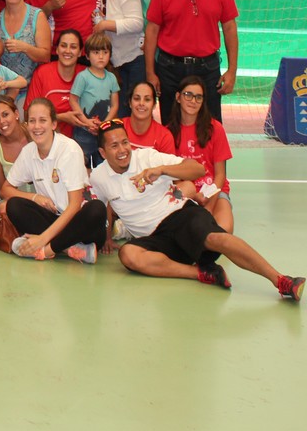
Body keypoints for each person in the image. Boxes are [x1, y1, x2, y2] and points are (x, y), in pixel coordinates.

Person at [90, 120, 303, 302]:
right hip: (154, 239)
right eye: (114, 146)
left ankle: (281, 280)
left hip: (181, 216)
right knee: (128, 255)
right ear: (102, 152)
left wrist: (161, 170)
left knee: (217, 237)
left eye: (125, 142)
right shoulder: (99, 177)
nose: (122, 150)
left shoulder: (148, 158)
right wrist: (107, 237)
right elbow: (103, 206)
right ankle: (201, 273)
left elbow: (197, 169)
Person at [145, 0, 238, 124]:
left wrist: (232, 71)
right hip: (169, 70)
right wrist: (151, 72)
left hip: (208, 69)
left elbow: (230, 28)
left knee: (211, 129)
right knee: (171, 129)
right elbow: (152, 30)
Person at [1, 98, 106, 263]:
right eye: (32, 121)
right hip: (55, 218)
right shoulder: (28, 152)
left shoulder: (69, 149)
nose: (37, 126)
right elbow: (5, 189)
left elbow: (74, 206)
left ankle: (48, 250)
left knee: (97, 209)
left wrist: (42, 240)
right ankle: (71, 249)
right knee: (14, 205)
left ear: (54, 124)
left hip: (80, 225)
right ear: (26, 125)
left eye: (43, 120)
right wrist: (35, 197)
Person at [165, 76, 234, 233]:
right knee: (191, 233)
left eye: (198, 97)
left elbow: (220, 175)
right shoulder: (169, 132)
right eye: (188, 95)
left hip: (214, 192)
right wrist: (194, 196)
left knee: (223, 231)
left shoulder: (215, 128)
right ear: (178, 97)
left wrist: (209, 206)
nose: (193, 101)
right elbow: (174, 177)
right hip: (185, 192)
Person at [85, 0, 144, 115]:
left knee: (134, 113)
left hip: (134, 62)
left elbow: (137, 23)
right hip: (116, 65)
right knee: (119, 114)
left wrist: (105, 25)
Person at [0, 0, 50, 89]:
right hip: (2, 90)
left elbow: (46, 56)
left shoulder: (37, 16)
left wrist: (25, 47)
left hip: (31, 90)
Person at [69, 31, 120, 168]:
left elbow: (115, 105)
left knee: (103, 166)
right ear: (87, 55)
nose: (101, 56)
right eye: (96, 52)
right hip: (83, 131)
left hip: (104, 132)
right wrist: (86, 122)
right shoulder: (83, 77)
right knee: (80, 164)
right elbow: (73, 100)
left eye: (105, 52)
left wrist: (105, 124)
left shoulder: (112, 78)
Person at [26, 29, 86, 137]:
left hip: (83, 138)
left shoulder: (87, 74)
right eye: (63, 46)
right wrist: (60, 117)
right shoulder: (42, 73)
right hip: (48, 138)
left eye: (73, 47)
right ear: (57, 49)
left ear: (80, 52)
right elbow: (28, 114)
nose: (67, 51)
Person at [0, 94, 32, 211]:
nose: (2, 121)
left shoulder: (33, 131)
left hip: (44, 200)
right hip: (14, 203)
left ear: (16, 114)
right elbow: (3, 192)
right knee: (5, 208)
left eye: (5, 114)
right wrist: (33, 199)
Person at [122, 81, 173, 152]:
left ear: (154, 104)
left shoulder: (164, 137)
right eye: (137, 98)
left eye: (147, 99)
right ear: (130, 102)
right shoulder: (117, 127)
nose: (141, 103)